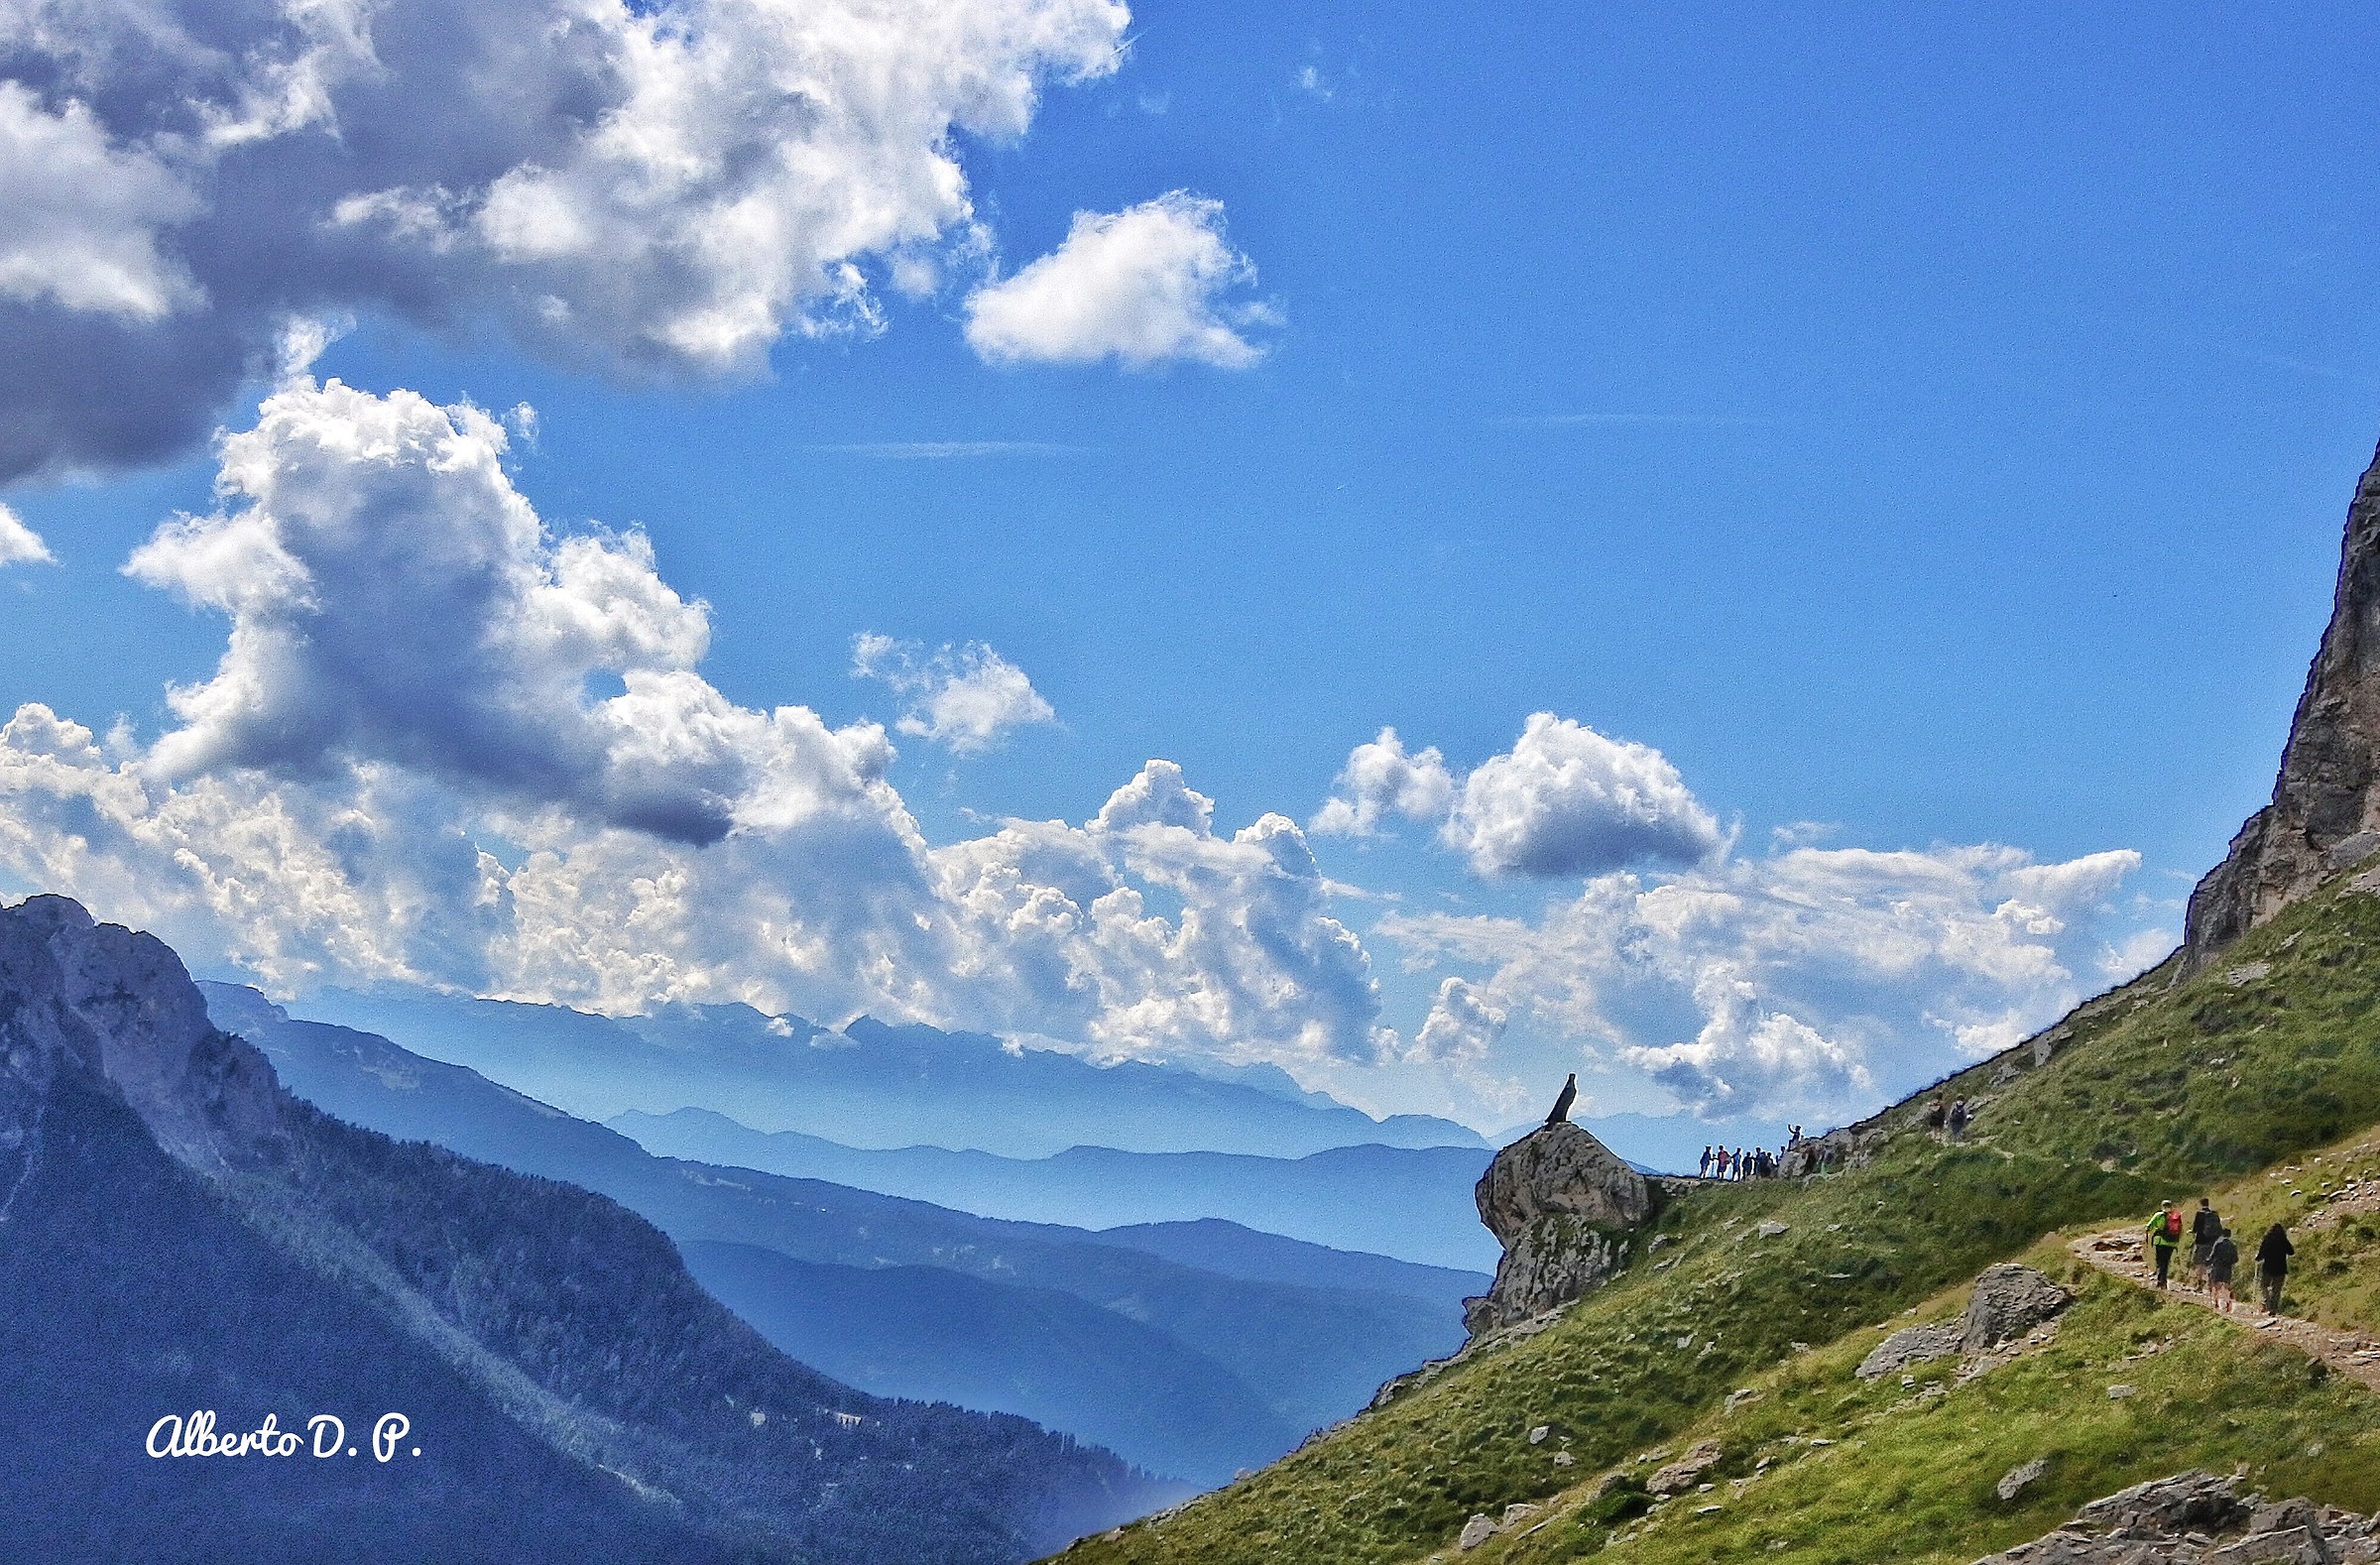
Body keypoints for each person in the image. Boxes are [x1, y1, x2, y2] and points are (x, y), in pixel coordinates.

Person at [2257, 1223, 2295, 1314]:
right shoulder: (2283, 1240)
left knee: (2263, 1286)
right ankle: (2274, 1308)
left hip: (2268, 1268)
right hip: (2280, 1268)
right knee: (2276, 1289)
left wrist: (2258, 1258)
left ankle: (2267, 1302)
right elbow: (2291, 1252)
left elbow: (2261, 1253)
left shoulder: (2267, 1239)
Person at [2147, 1200, 2184, 1288]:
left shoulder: (2158, 1215)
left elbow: (2148, 1227)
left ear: (2162, 1206)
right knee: (2166, 1263)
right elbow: (2180, 1229)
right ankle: (2164, 1282)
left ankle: (2161, 1282)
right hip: (2171, 1243)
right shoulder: (2175, 1216)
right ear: (2171, 1206)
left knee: (2160, 1262)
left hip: (2160, 1242)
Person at [2190, 1198, 2222, 1287]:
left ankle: (2200, 1283)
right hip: (2212, 1243)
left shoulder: (2199, 1214)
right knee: (2209, 1263)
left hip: (2201, 1242)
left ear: (2200, 1204)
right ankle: (2209, 1283)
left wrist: (2191, 1231)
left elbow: (2195, 1229)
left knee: (2198, 1263)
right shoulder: (2214, 1214)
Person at [2207, 1227, 2239, 1314]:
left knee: (2216, 1285)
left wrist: (2208, 1262)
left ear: (2222, 1234)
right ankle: (2228, 1303)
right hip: (2228, 1268)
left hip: (2217, 1267)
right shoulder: (2233, 1245)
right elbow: (2236, 1259)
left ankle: (2216, 1303)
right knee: (2226, 1286)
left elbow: (2212, 1256)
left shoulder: (2218, 1243)